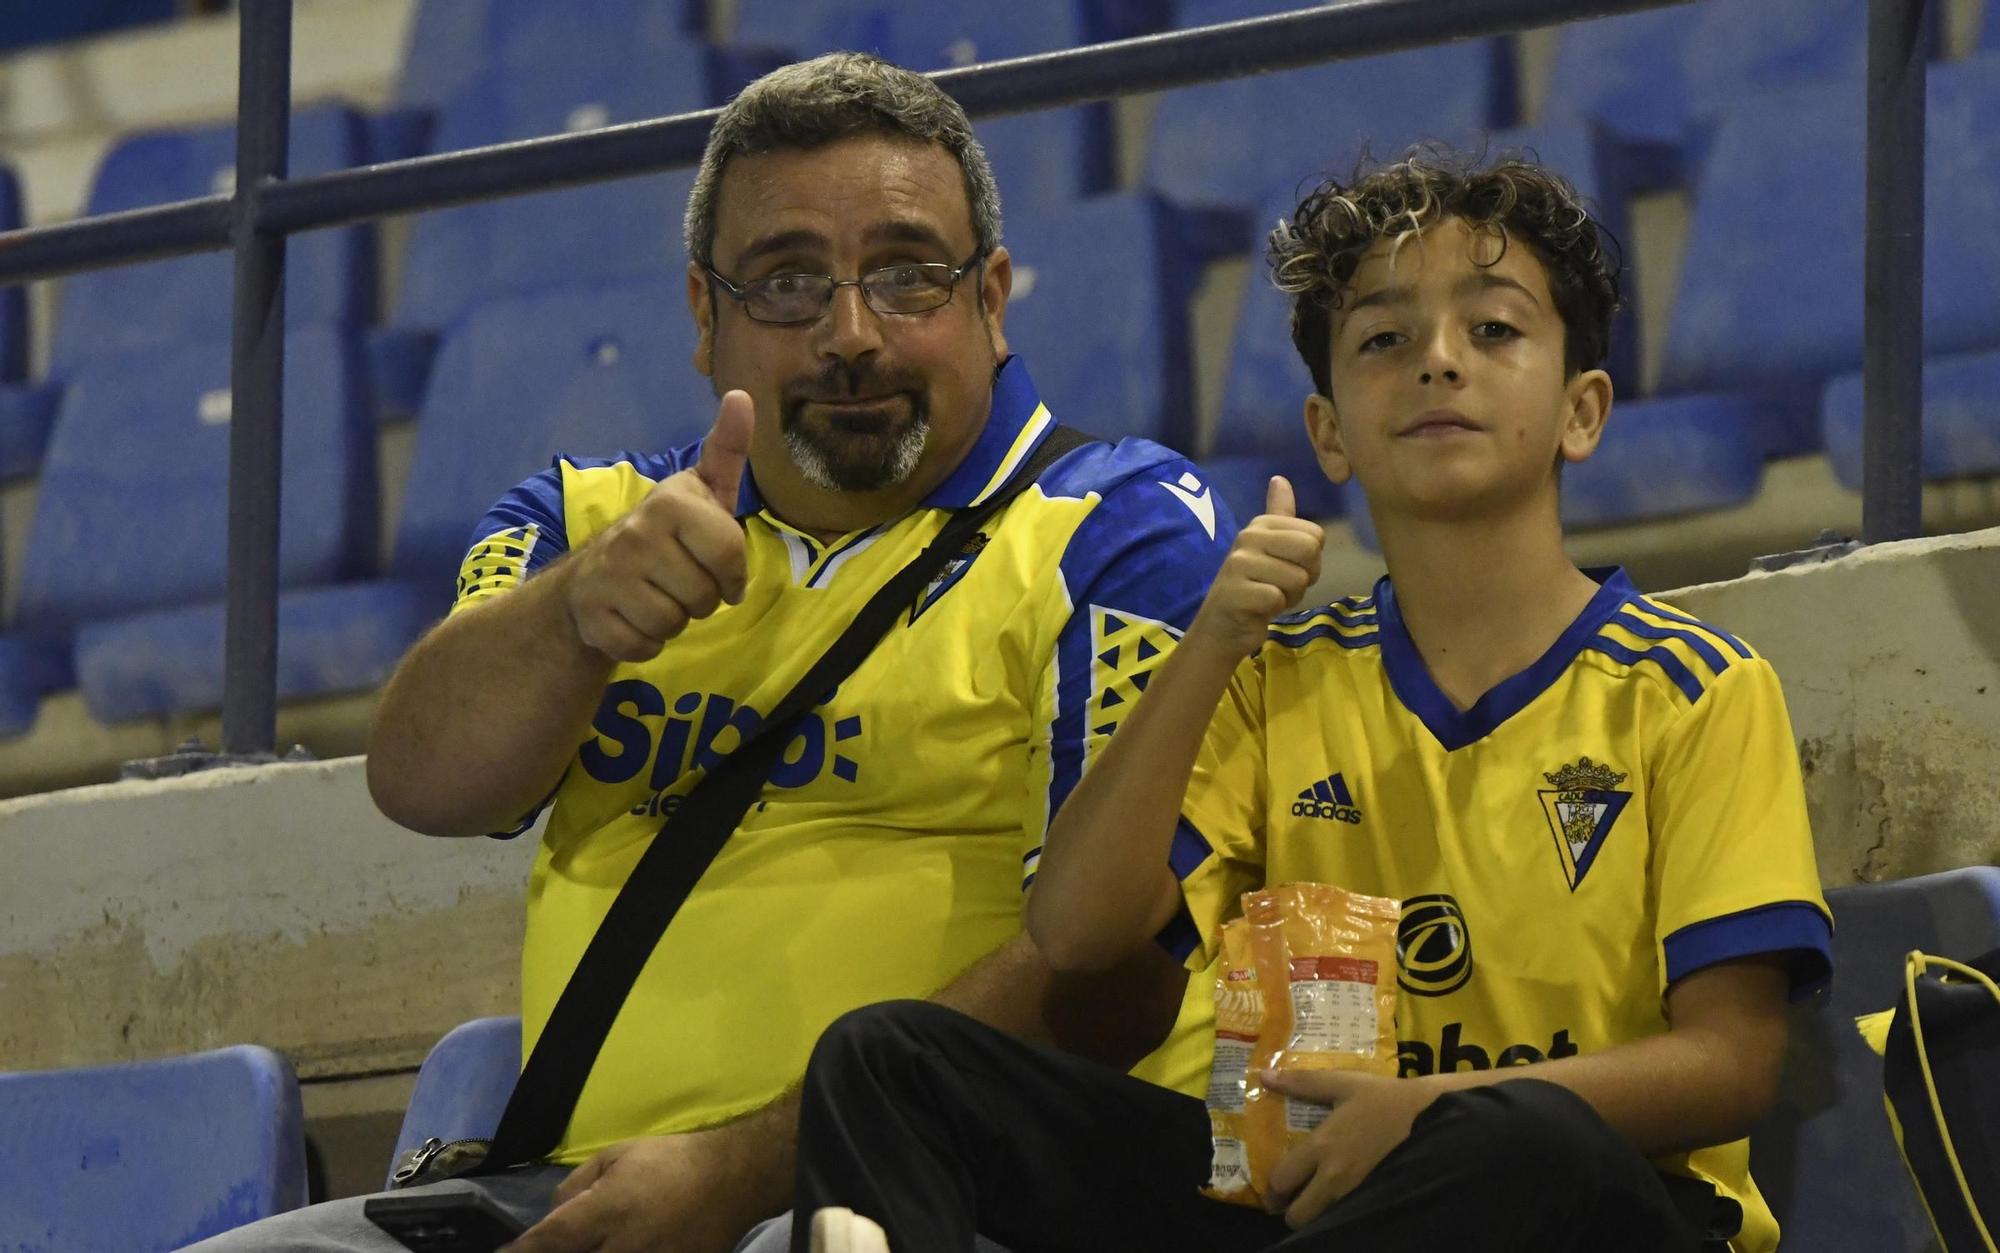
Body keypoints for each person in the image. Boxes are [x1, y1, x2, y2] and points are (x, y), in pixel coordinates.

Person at [186, 52, 1236, 1253]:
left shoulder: (1118, 525)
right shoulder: (584, 520)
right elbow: (422, 780)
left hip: (922, 1185)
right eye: (787, 282)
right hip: (575, 1190)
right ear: (705, 317)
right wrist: (577, 612)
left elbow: (1108, 979)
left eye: (905, 274)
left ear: (991, 298)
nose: (850, 333)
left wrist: (733, 1173)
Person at [790, 151, 1834, 1253]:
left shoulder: (1694, 691)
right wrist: (1212, 642)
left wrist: (1426, 1110)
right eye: (1382, 339)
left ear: (1581, 410)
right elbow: (1074, 930)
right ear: (1328, 432)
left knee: (1522, 1136)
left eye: (1491, 330)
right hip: (1312, 1200)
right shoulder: (1271, 677)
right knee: (888, 1059)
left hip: (1597, 1206)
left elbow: (1730, 1065)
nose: (1436, 362)